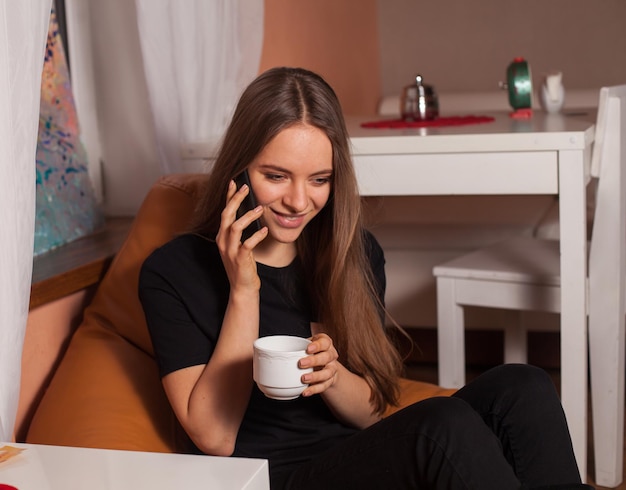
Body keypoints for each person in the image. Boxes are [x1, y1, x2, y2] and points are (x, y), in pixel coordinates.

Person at [138, 67, 593, 490]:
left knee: (523, 386)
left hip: (358, 458)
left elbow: (373, 413)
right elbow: (215, 438)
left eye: (319, 179)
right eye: (275, 176)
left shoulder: (351, 253)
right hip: (276, 478)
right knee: (440, 426)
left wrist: (333, 376)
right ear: (238, 170)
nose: (299, 201)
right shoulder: (174, 272)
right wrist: (245, 289)